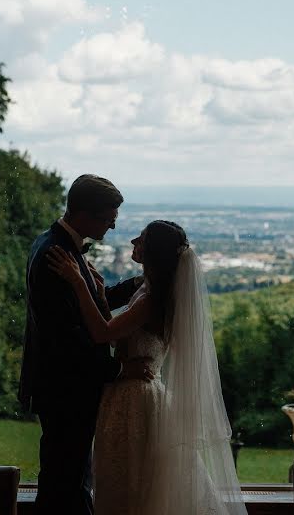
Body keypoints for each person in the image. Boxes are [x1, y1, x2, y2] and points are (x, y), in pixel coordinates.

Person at [47, 220, 247, 515]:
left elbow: (103, 334)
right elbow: (120, 335)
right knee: (129, 482)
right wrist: (101, 296)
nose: (131, 242)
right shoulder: (146, 292)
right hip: (131, 395)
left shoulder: (151, 300)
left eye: (140, 240)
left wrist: (78, 283)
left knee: (129, 485)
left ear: (153, 252)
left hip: (134, 401)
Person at [19, 174, 152, 515]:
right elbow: (66, 339)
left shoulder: (58, 247)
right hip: (66, 389)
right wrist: (122, 369)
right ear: (84, 215)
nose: (112, 226)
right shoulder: (55, 255)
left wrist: (143, 282)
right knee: (66, 485)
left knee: (68, 480)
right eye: (108, 219)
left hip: (66, 388)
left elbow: (90, 306)